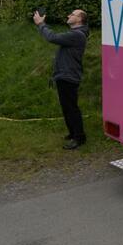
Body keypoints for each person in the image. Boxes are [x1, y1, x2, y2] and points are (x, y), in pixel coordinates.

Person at [33, 9, 90, 149]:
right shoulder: (76, 34)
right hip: (64, 75)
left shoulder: (77, 35)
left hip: (69, 76)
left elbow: (52, 37)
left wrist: (41, 24)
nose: (68, 15)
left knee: (71, 108)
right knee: (67, 108)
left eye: (73, 14)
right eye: (69, 13)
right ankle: (73, 133)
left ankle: (79, 137)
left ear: (80, 20)